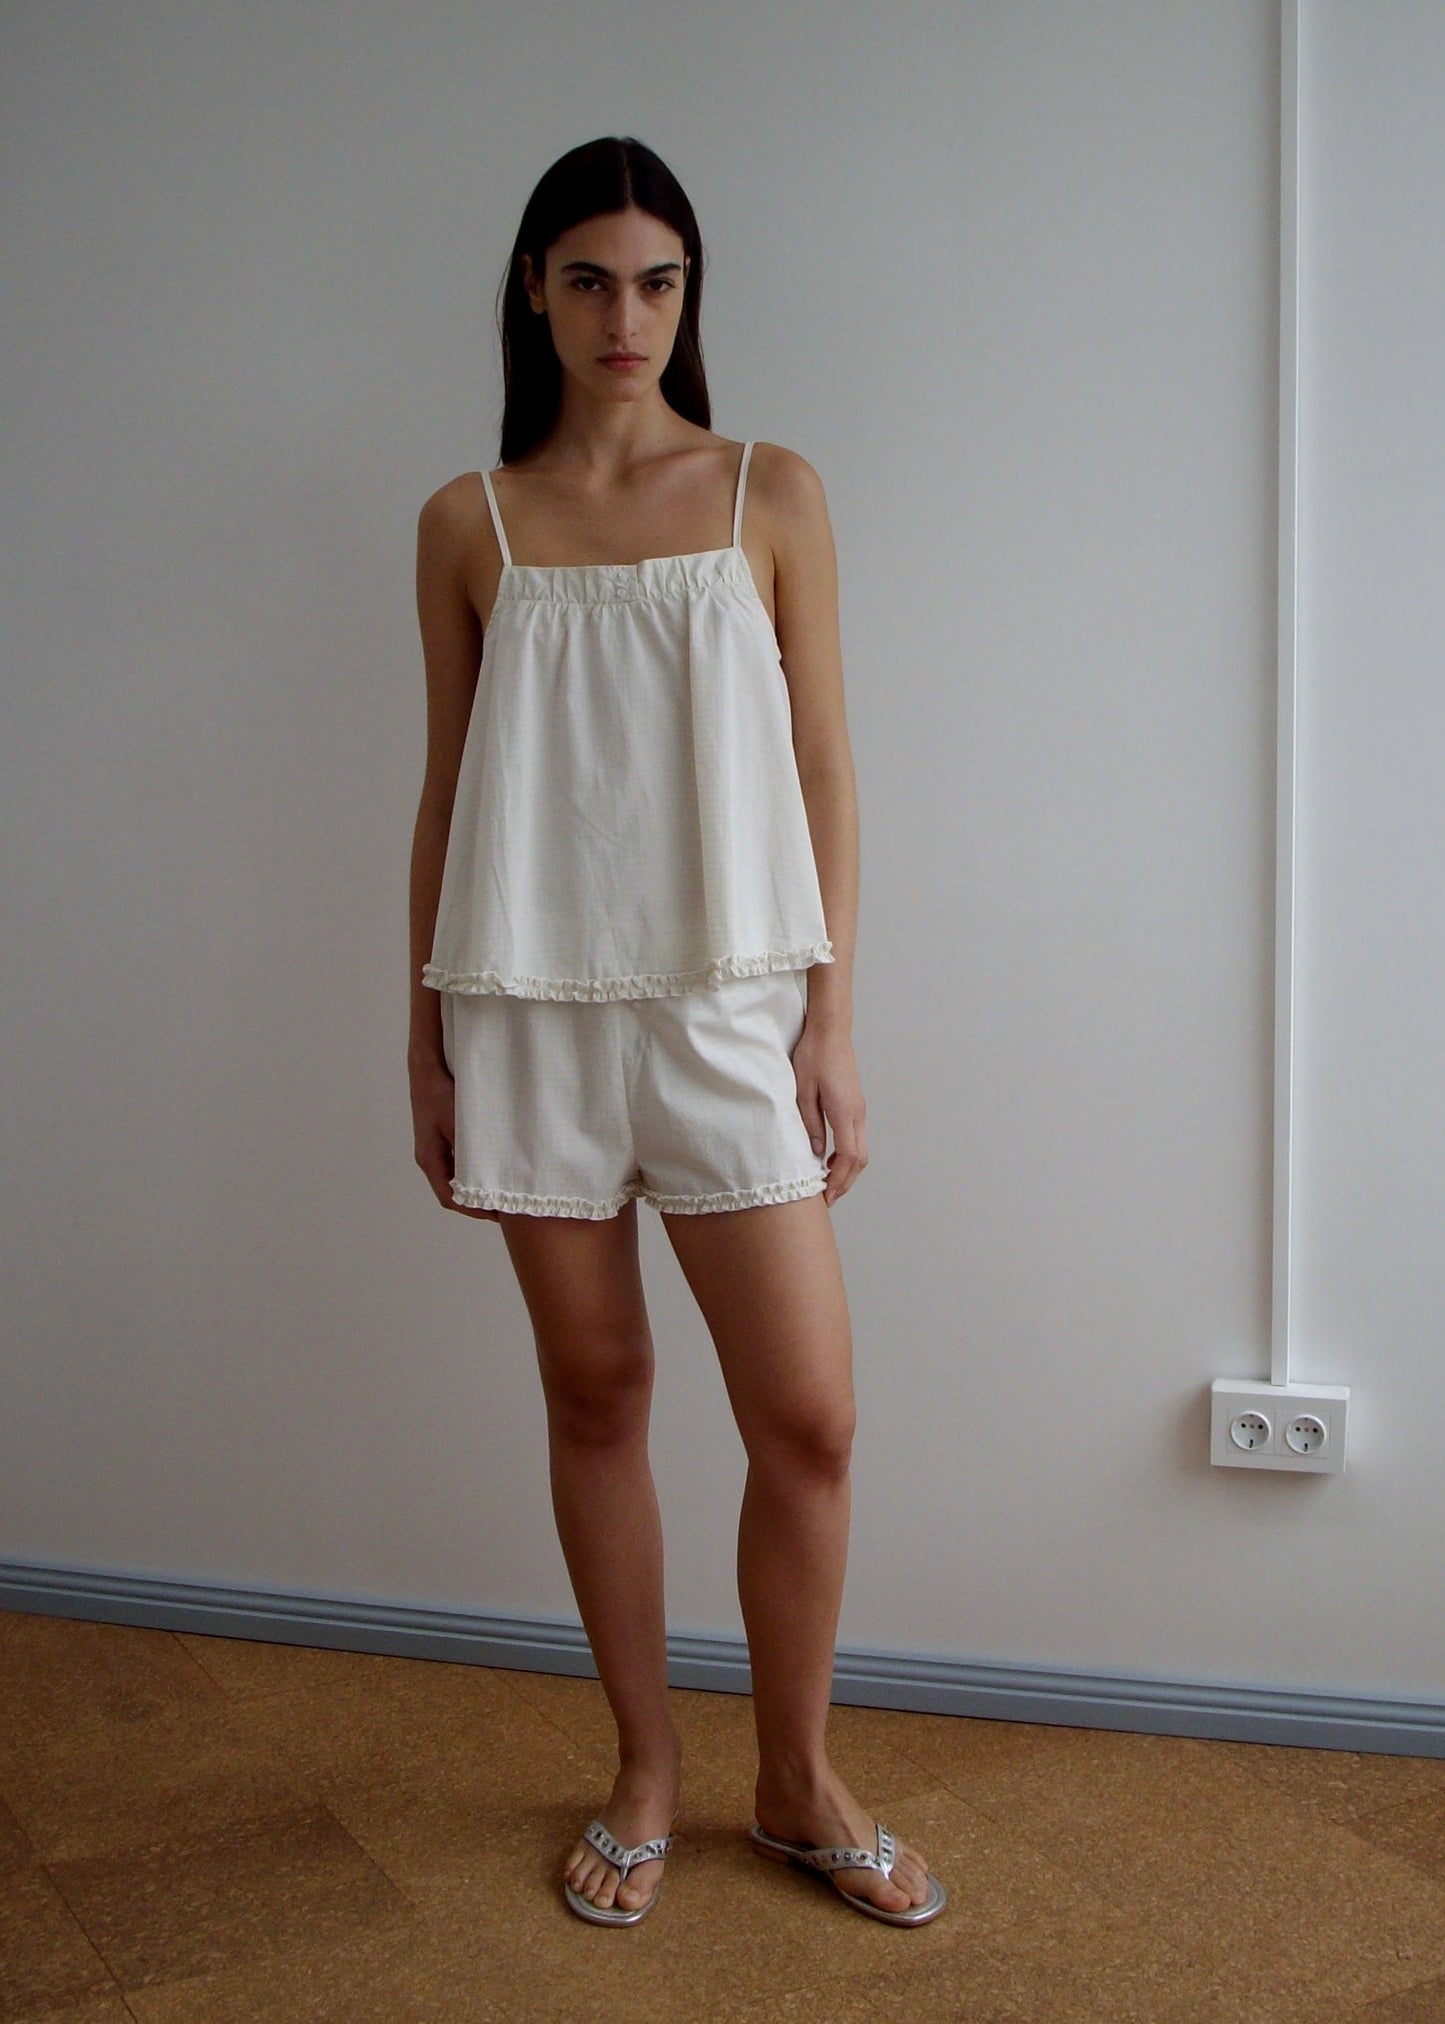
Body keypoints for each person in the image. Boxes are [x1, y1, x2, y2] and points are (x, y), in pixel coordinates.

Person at [407, 135, 945, 1930]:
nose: (623, 315)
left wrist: (832, 1020)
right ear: (533, 296)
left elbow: (825, 770)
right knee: (599, 1395)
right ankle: (644, 1769)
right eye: (586, 279)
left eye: (656, 282)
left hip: (731, 1009)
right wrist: (425, 1035)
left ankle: (796, 1781)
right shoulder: (466, 522)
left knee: (807, 1419)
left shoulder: (767, 494)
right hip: (529, 1009)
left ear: (687, 300)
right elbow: (446, 788)